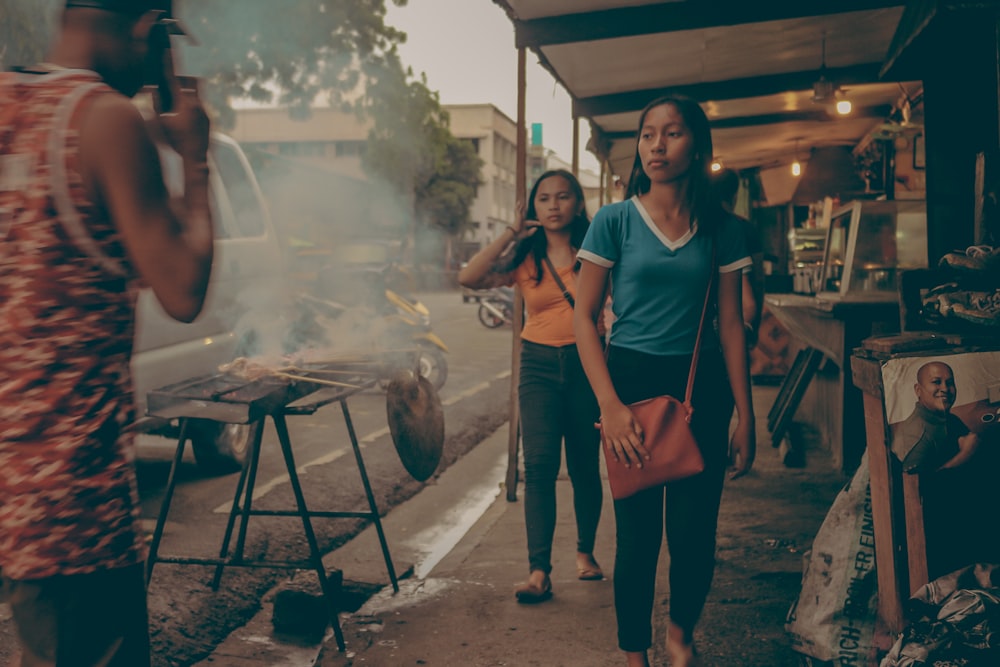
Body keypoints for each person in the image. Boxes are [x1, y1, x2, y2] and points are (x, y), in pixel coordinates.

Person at [0, 1, 214, 665]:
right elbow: (182, 286)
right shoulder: (104, 119)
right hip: (72, 508)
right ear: (149, 30)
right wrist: (195, 160)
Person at [573, 95, 756, 667]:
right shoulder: (614, 220)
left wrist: (747, 416)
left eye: (672, 134)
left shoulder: (724, 229)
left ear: (696, 145)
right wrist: (610, 402)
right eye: (648, 134)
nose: (656, 145)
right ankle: (635, 654)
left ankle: (680, 632)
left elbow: (731, 324)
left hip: (700, 385)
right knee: (637, 535)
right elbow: (584, 317)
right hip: (628, 379)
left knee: (695, 532)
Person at [458, 169, 605, 603]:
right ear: (533, 207)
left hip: (587, 365)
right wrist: (510, 233)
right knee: (539, 466)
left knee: (583, 466)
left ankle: (585, 551)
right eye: (544, 199)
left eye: (563, 197)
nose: (554, 205)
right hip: (538, 366)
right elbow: (469, 277)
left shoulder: (596, 251)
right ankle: (539, 571)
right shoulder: (526, 257)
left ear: (578, 203)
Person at [890, 361, 979, 474]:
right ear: (918, 390)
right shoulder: (915, 438)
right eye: (936, 382)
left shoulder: (948, 418)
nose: (945, 389)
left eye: (950, 382)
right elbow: (918, 488)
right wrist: (965, 453)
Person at [710, 168, 764, 346]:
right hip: (739, 318)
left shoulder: (705, 227)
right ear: (734, 195)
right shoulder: (745, 228)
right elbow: (758, 279)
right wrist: (753, 326)